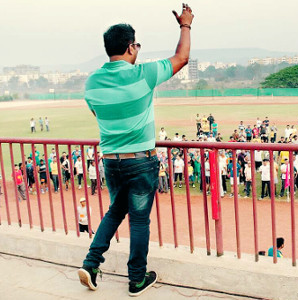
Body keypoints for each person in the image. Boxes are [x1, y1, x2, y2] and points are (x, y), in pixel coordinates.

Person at [78, 6, 193, 297]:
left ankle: (91, 264)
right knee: (139, 220)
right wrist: (186, 25)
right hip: (141, 161)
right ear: (131, 47)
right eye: (137, 45)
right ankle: (137, 279)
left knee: (115, 211)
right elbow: (181, 58)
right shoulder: (143, 73)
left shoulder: (91, 82)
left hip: (111, 161)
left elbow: (99, 117)